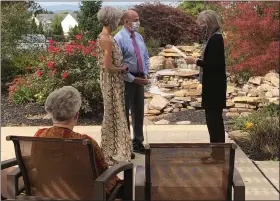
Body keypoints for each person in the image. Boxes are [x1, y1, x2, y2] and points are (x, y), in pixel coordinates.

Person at [34, 86, 119, 197]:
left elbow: (36, 164)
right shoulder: (85, 142)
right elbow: (103, 172)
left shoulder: (39, 136)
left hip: (49, 194)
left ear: (51, 113)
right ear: (76, 115)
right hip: (83, 196)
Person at [185, 10, 226, 162]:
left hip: (214, 87)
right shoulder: (214, 38)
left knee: (214, 121)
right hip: (213, 86)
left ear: (209, 23)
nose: (201, 26)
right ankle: (216, 154)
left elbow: (214, 65)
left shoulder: (216, 39)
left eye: (203, 23)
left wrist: (195, 61)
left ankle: (218, 155)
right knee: (213, 120)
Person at [96, 6, 133, 165]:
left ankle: (117, 149)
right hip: (111, 81)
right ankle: (112, 151)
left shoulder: (106, 36)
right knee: (114, 113)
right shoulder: (106, 38)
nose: (118, 22)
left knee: (116, 113)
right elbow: (108, 65)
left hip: (113, 80)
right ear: (111, 20)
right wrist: (122, 68)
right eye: (117, 19)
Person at [114, 10, 150, 154]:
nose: (138, 22)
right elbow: (119, 64)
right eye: (135, 19)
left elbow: (146, 56)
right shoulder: (118, 39)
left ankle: (137, 142)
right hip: (127, 80)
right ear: (126, 21)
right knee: (124, 112)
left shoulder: (139, 37)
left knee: (138, 111)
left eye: (138, 19)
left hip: (140, 78)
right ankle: (126, 145)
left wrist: (145, 73)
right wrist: (133, 78)